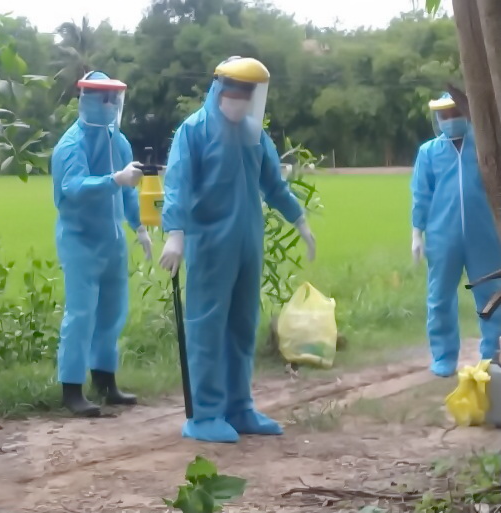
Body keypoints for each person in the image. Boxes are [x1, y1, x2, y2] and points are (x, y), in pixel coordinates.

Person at [159, 56, 316, 443]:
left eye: (249, 92)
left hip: (248, 242)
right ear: (219, 88)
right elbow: (178, 184)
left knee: (243, 325)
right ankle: (205, 413)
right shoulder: (194, 131)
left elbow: (273, 185)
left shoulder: (253, 134)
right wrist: (175, 233)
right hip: (211, 244)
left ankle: (239, 406)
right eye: (236, 89)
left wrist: (299, 219)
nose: (242, 98)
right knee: (207, 327)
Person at [51, 71, 153, 417]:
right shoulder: (71, 145)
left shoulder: (117, 140)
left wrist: (139, 226)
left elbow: (128, 189)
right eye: (104, 98)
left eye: (114, 99)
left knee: (112, 312)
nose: (110, 105)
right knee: (81, 313)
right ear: (88, 99)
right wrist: (114, 179)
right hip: (80, 240)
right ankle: (71, 388)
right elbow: (73, 188)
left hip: (112, 240)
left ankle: (105, 381)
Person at [411, 92, 501, 378]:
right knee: (440, 298)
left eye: (455, 113)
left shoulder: (484, 147)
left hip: (484, 235)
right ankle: (444, 356)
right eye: (444, 115)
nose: (450, 120)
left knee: (492, 296)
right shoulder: (429, 152)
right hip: (442, 236)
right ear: (437, 119)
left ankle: (493, 355)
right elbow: (421, 195)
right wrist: (417, 234)